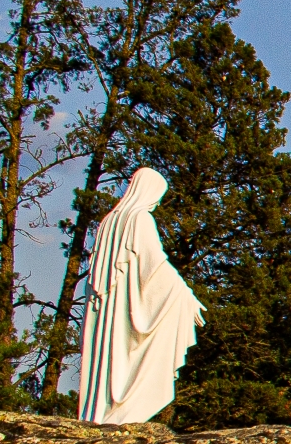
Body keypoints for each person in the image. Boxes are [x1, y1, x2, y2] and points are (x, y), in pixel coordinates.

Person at [78, 167, 204, 425]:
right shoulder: (139, 219)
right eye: (158, 196)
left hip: (110, 309)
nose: (157, 203)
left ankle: (101, 411)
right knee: (127, 357)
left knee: (110, 358)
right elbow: (154, 266)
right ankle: (120, 412)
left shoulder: (108, 222)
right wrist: (185, 295)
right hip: (121, 306)